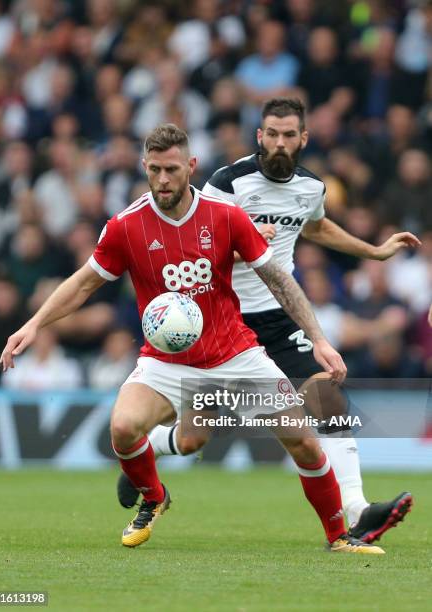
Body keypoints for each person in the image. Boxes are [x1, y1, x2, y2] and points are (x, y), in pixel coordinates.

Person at [0, 123, 382, 554]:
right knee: (123, 428)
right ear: (144, 166)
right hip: (166, 361)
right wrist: (34, 324)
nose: (163, 180)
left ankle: (339, 537)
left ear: (191, 167)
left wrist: (319, 339)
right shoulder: (126, 226)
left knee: (305, 443)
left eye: (173, 170)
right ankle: (155, 498)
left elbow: (278, 279)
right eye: (156, 169)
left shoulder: (225, 216)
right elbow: (84, 283)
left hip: (235, 353)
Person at [118, 101, 415, 544]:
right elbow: (199, 243)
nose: (279, 142)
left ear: (303, 139)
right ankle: (154, 450)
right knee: (197, 437)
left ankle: (357, 509)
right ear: (259, 136)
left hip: (277, 318)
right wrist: (247, 244)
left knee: (328, 399)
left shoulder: (312, 188)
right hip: (224, 318)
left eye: (288, 135)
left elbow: (315, 228)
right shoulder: (228, 183)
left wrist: (372, 251)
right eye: (271, 133)